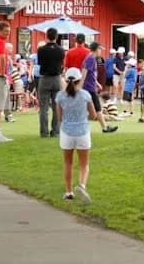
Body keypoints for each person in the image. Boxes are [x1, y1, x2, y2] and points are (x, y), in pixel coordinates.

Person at [55, 68, 96, 204]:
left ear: (66, 80)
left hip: (67, 132)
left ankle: (68, 192)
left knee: (68, 163)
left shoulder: (60, 96)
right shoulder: (85, 95)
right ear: (79, 80)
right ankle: (82, 185)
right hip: (82, 131)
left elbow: (59, 117)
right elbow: (94, 115)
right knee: (84, 164)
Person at [82, 42, 118, 133]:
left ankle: (104, 127)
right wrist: (81, 85)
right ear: (96, 49)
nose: (101, 51)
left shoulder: (92, 58)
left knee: (95, 109)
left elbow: (92, 74)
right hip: (88, 87)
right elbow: (84, 72)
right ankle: (104, 127)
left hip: (91, 86)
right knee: (96, 108)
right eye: (100, 49)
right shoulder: (90, 59)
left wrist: (97, 83)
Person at [37, 28, 65, 138]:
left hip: (45, 78)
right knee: (56, 107)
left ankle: (44, 132)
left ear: (46, 36)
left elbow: (40, 63)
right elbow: (61, 63)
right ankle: (56, 131)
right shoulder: (61, 50)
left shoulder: (41, 50)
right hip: (57, 78)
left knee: (43, 107)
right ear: (56, 36)